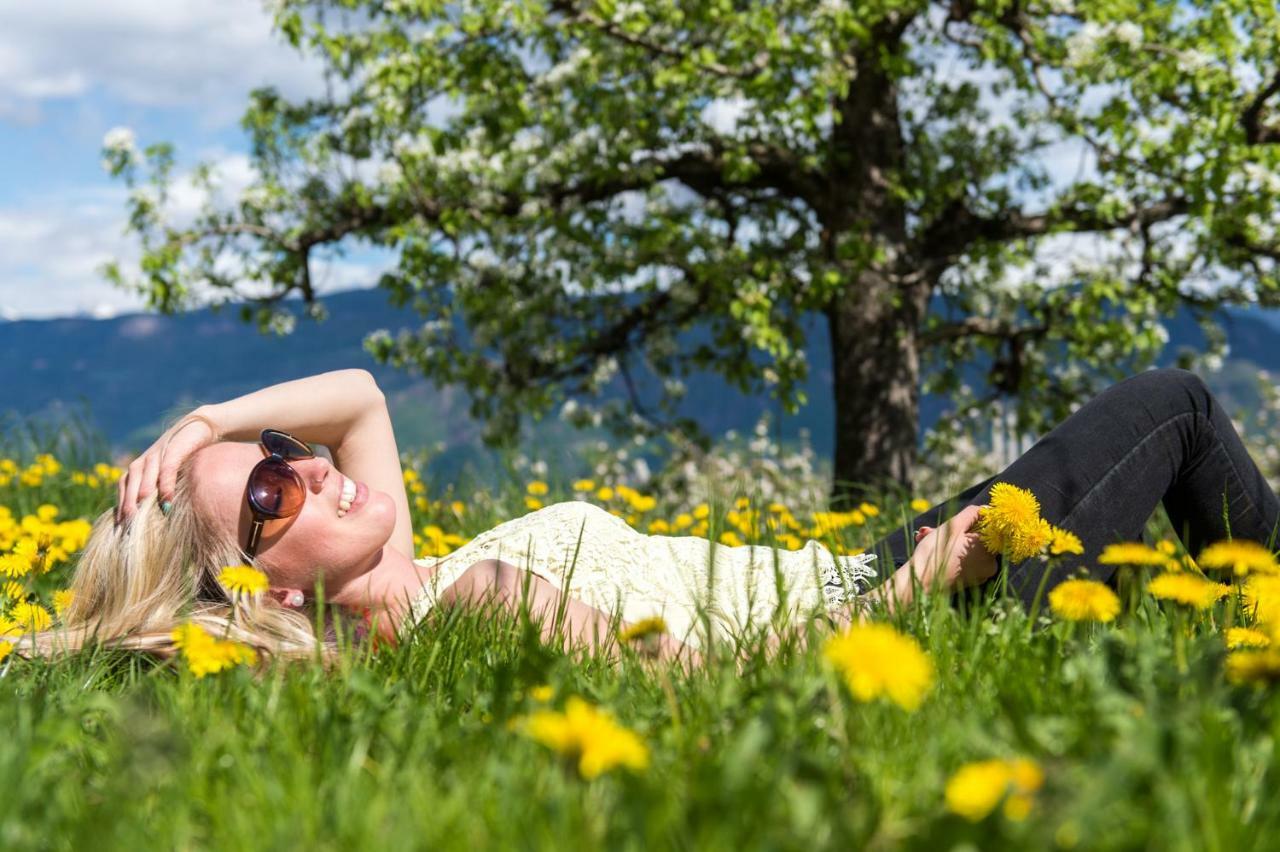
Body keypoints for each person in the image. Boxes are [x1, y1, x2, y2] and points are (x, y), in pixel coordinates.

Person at [25, 366, 1280, 664]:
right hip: (896, 606)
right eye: (266, 491)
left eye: (284, 453)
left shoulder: (412, 565)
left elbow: (353, 394)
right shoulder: (470, 602)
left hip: (868, 572)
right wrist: (918, 586)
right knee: (1170, 408)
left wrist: (198, 428)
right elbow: (716, 686)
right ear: (268, 589)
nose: (308, 468)